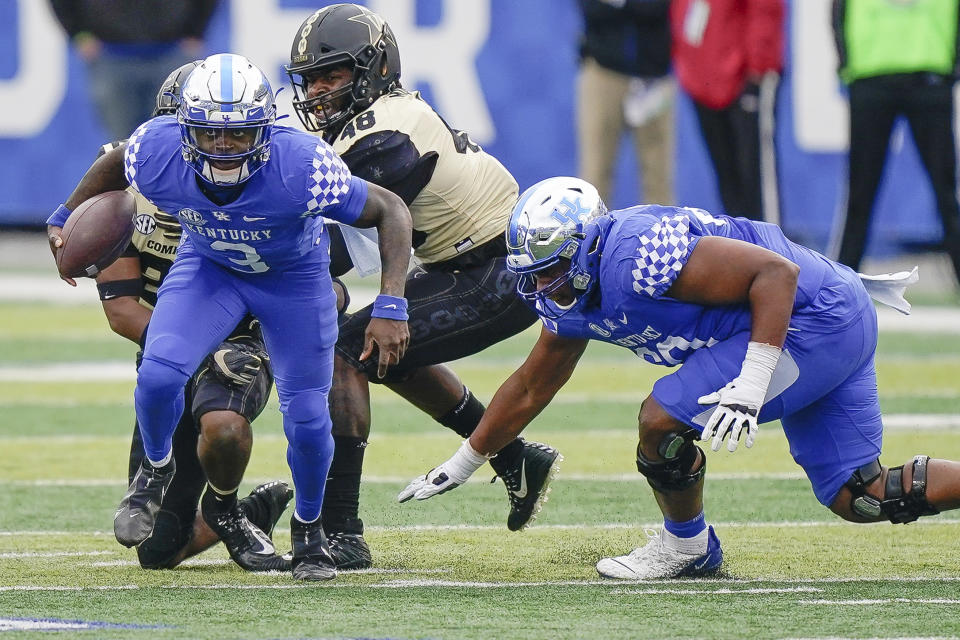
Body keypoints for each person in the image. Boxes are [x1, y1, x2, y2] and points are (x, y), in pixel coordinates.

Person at [399, 176, 960, 579]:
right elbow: (531, 385)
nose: (545, 289)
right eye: (534, 276)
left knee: (661, 418)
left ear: (588, 245)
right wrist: (465, 461)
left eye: (552, 271)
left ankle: (685, 546)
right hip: (831, 315)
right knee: (859, 496)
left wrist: (750, 380)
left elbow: (775, 273)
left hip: (812, 319)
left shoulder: (636, 254)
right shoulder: (572, 292)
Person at [47, 53, 413, 582]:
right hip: (210, 268)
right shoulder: (158, 148)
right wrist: (63, 216)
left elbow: (391, 210)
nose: (222, 146)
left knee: (307, 419)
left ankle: (309, 533)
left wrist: (392, 302)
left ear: (264, 128)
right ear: (185, 129)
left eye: (238, 135)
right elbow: (115, 162)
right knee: (157, 373)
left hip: (292, 279)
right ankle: (154, 473)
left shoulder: (302, 166)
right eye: (210, 134)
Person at [285, 4, 562, 569]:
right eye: (311, 78)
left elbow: (340, 241)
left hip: (496, 272)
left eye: (331, 76)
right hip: (470, 262)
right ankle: (513, 458)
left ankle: (341, 527)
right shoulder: (377, 118)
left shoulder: (383, 136)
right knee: (384, 347)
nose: (317, 91)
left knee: (347, 349)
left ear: (372, 70)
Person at [87, 62, 292, 572]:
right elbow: (121, 309)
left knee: (223, 417)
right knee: (156, 550)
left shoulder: (273, 178)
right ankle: (250, 511)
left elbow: (325, 286)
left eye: (228, 134)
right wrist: (187, 348)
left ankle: (305, 518)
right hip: (167, 348)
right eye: (198, 135)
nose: (210, 152)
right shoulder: (125, 187)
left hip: (244, 341)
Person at [830, 0, 960, 286]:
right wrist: (847, 62)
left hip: (928, 75)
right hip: (873, 76)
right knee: (860, 192)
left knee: (946, 191)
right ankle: (840, 284)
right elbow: (839, 11)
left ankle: (839, 282)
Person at [670, 0, 784, 221]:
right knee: (728, 185)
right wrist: (687, 66)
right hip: (702, 78)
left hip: (745, 78)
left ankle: (772, 252)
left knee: (756, 184)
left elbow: (765, 9)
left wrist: (758, 66)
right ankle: (740, 250)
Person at [50, 0, 219, 141]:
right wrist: (78, 33)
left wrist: (196, 30)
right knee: (121, 149)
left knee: (174, 143)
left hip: (172, 54)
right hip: (112, 57)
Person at [577, 0, 674, 206]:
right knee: (594, 176)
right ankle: (591, 237)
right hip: (603, 72)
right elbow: (592, 7)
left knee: (658, 177)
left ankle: (662, 237)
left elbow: (657, 8)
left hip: (653, 77)